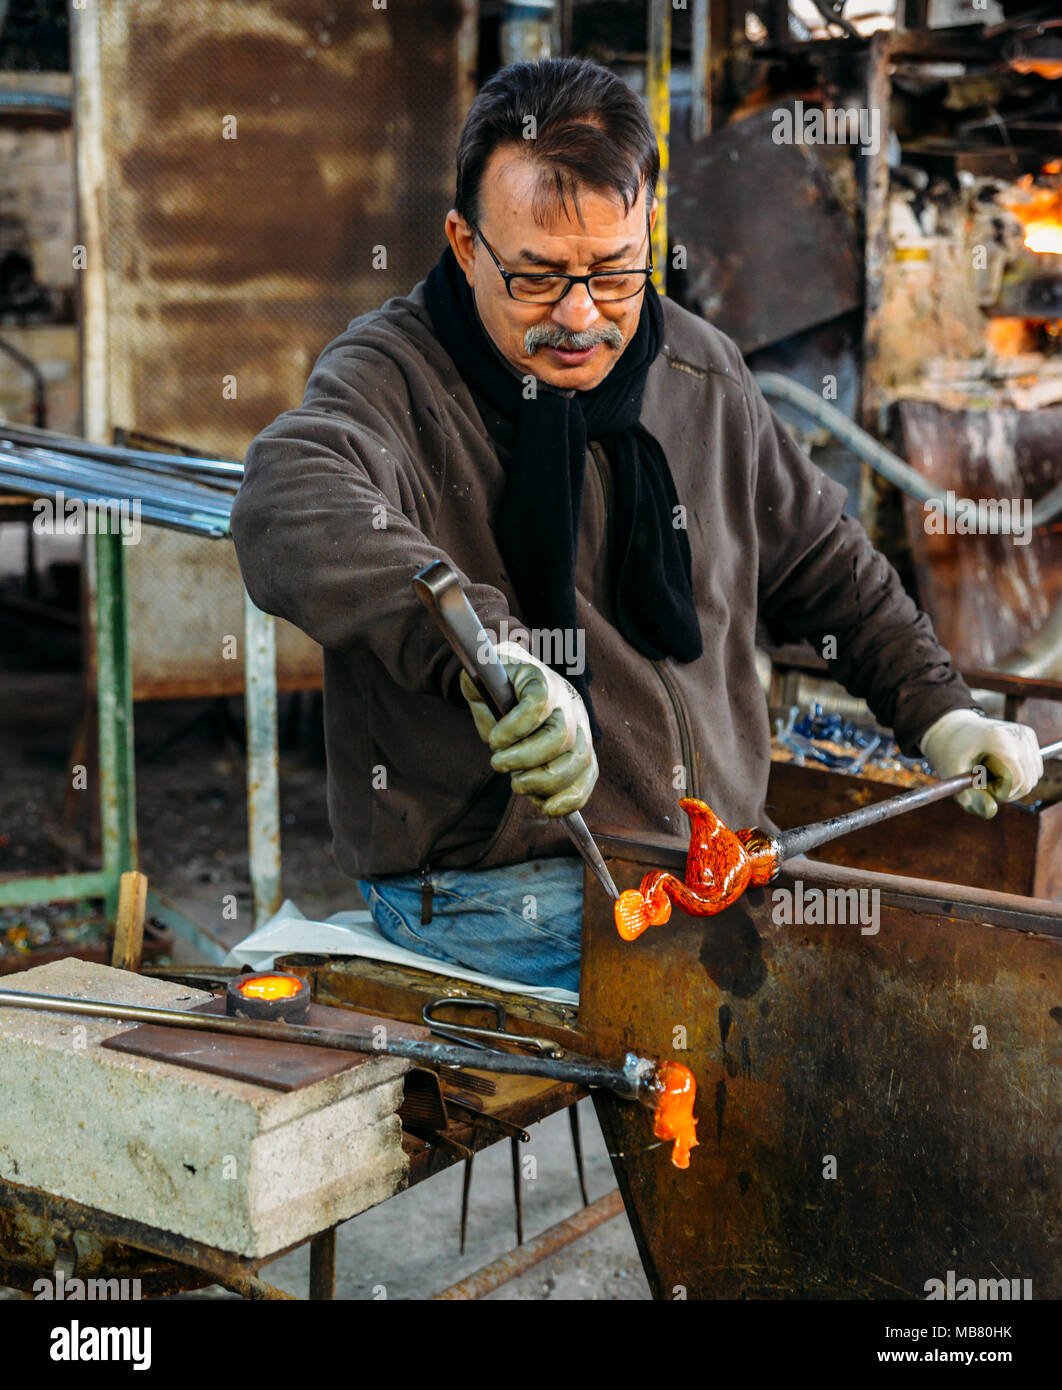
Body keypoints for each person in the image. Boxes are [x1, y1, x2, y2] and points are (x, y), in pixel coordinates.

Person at [230, 58, 1043, 994]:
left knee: (898, 980)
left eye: (613, 272)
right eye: (535, 277)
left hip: (708, 857)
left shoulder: (699, 370)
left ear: (648, 230)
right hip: (490, 885)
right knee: (802, 1011)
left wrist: (941, 713)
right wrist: (498, 660)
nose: (579, 316)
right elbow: (286, 496)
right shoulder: (394, 378)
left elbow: (827, 568)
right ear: (463, 243)